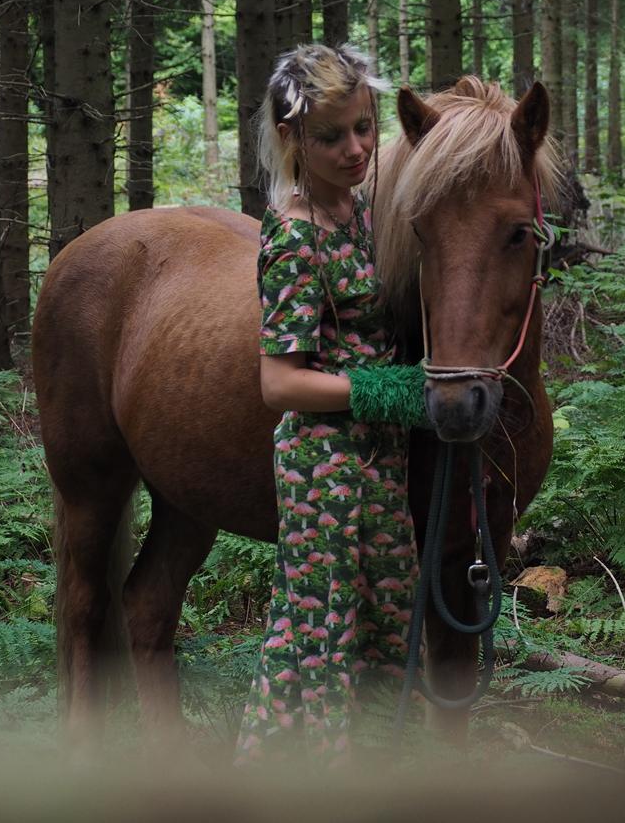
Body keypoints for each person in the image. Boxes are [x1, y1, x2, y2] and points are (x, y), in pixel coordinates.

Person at [234, 44, 428, 768]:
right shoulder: (295, 235)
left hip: (379, 458)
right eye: (331, 137)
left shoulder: (364, 205)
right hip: (324, 469)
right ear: (290, 138)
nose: (355, 149)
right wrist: (387, 389)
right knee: (321, 639)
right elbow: (279, 384)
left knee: (385, 627)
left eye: (365, 128)